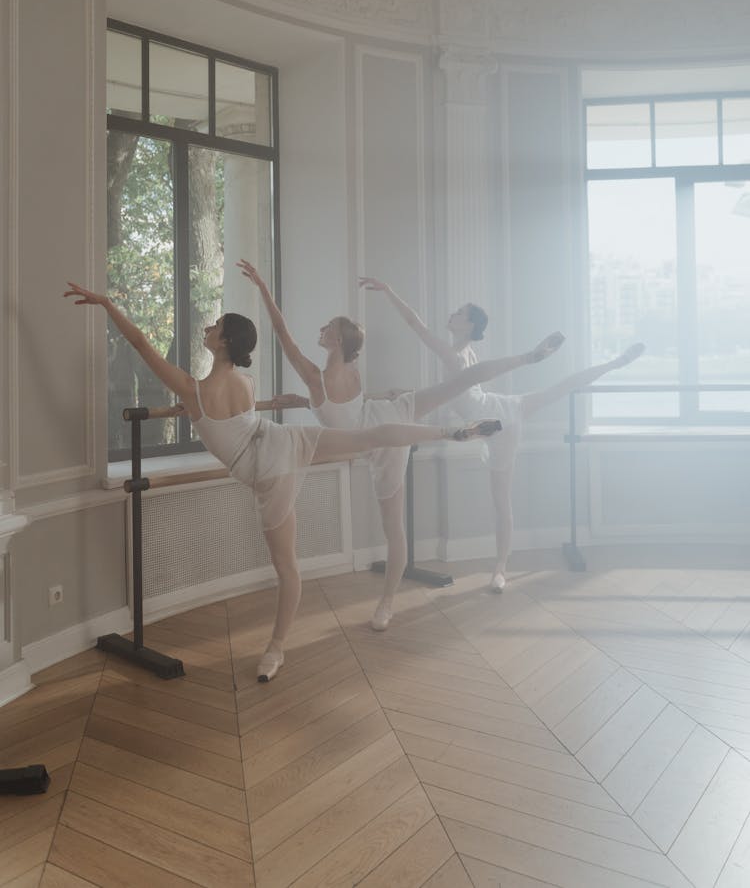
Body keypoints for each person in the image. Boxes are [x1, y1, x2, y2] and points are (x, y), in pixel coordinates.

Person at [64, 281, 502, 681]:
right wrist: (194, 412)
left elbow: (141, 344)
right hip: (287, 443)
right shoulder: (245, 383)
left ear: (224, 342)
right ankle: (451, 432)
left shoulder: (191, 390)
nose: (209, 326)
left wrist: (107, 304)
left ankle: (276, 652)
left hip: (269, 474)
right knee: (366, 438)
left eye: (215, 325)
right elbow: (235, 419)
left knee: (287, 568)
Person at [237, 261, 564, 630]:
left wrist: (263, 287)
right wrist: (303, 401)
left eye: (327, 327)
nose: (321, 329)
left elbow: (282, 334)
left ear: (338, 339)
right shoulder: (351, 373)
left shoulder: (315, 377)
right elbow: (347, 409)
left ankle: (388, 604)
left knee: (393, 527)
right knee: (459, 384)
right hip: (392, 417)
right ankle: (526, 360)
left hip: (381, 438)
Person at [359, 277, 645, 593]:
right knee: (556, 395)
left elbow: (415, 324)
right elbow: (454, 395)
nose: (452, 314)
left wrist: (389, 291)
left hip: (501, 418)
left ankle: (500, 570)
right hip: (499, 417)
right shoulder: (459, 353)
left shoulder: (456, 354)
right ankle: (500, 569)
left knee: (504, 497)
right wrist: (405, 393)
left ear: (468, 325)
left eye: (459, 312)